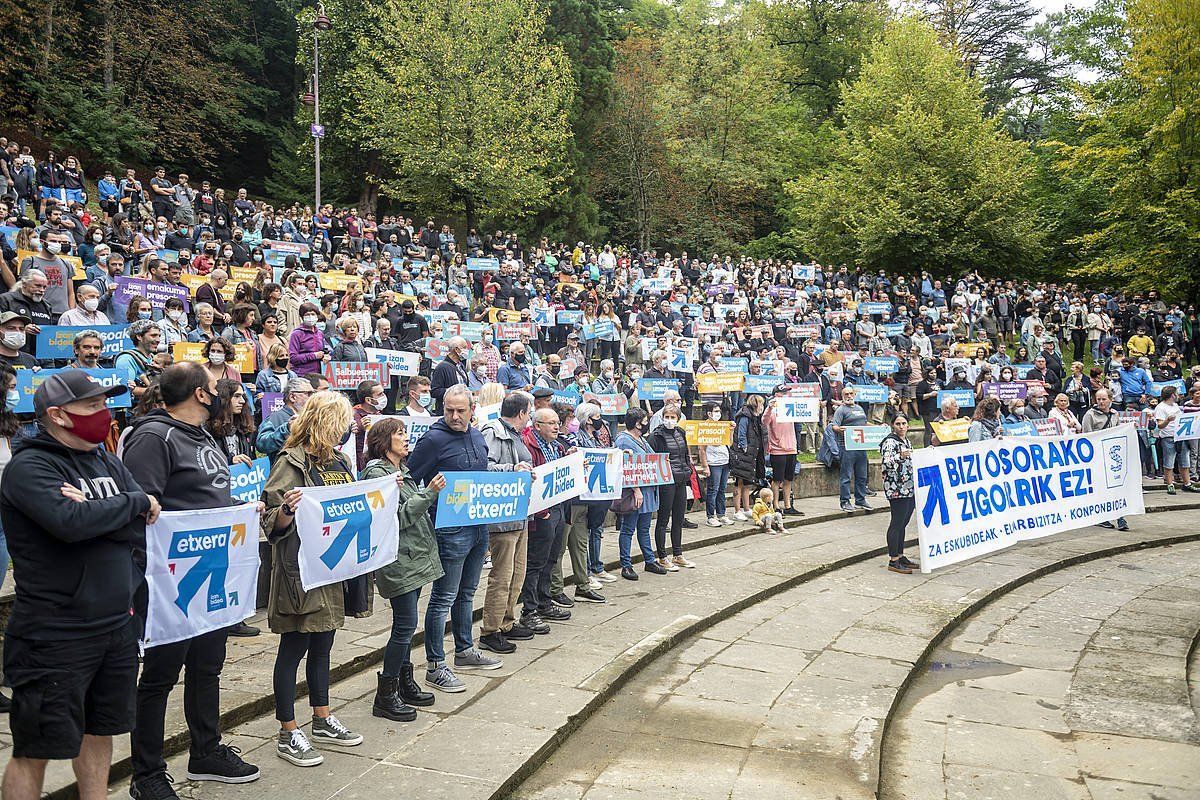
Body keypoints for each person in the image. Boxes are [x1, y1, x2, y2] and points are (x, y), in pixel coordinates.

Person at [0, 371, 157, 800]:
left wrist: (103, 511)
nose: (103, 412)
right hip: (55, 635)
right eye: (91, 405)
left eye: (104, 403)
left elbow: (140, 520)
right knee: (34, 749)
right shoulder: (30, 466)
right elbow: (70, 523)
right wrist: (129, 504)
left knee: (100, 730)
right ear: (57, 415)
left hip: (115, 625)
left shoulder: (105, 459)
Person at [122, 363, 260, 799]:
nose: (221, 393)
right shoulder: (153, 437)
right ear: (201, 394)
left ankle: (206, 750)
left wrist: (239, 509)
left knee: (207, 665)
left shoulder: (202, 435)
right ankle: (147, 774)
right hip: (171, 579)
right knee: (160, 675)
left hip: (211, 569)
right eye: (215, 387)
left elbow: (207, 494)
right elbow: (142, 507)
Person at [262, 391, 365, 767]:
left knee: (323, 646)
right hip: (300, 572)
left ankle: (321, 718)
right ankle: (288, 730)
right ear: (325, 422)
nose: (347, 428)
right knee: (293, 649)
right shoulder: (290, 461)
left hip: (332, 571)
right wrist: (286, 511)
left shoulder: (340, 460)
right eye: (342, 422)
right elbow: (270, 519)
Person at [407, 384, 502, 692]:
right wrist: (428, 503)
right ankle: (435, 665)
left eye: (461, 411)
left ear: (472, 410)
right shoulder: (432, 440)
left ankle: (464, 650)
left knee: (467, 592)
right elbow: (409, 480)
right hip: (449, 529)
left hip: (477, 525)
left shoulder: (477, 435)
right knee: (443, 597)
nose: (455, 416)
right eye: (449, 410)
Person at [361, 418, 446, 721]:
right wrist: (430, 493)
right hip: (398, 560)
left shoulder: (401, 471)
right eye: (400, 434)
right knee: (405, 625)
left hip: (414, 556)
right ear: (384, 441)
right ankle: (385, 694)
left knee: (407, 626)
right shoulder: (378, 474)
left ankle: (403, 682)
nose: (406, 438)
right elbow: (397, 518)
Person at [478, 392, 538, 652]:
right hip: (502, 516)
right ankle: (490, 630)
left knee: (517, 572)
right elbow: (484, 467)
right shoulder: (493, 432)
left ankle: (506, 621)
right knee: (502, 576)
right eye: (529, 413)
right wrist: (512, 470)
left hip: (519, 512)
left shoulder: (515, 435)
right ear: (522, 413)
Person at [519, 406, 574, 623]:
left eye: (557, 422)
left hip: (558, 508)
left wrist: (570, 460)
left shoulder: (557, 446)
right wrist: (541, 511)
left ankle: (545, 602)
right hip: (542, 513)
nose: (556, 426)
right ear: (537, 425)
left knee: (551, 558)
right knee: (536, 561)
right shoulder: (529, 445)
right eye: (551, 423)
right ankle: (530, 610)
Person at [613, 408, 666, 581]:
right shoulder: (623, 440)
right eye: (644, 421)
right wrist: (636, 490)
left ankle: (649, 560)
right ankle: (626, 565)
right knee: (628, 528)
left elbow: (651, 458)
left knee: (644, 528)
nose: (646, 423)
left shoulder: (641, 438)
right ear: (637, 423)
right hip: (634, 492)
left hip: (647, 489)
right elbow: (626, 467)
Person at [647, 402, 696, 570]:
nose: (669, 420)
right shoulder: (656, 436)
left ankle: (678, 554)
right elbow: (651, 458)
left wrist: (688, 470)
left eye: (672, 417)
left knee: (678, 518)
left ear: (677, 418)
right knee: (663, 520)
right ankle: (662, 557)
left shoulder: (680, 432)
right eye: (666, 417)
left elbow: (685, 454)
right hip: (666, 482)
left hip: (681, 479)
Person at [1081, 388, 1132, 531]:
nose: (1101, 402)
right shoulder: (1090, 415)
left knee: (1116, 486)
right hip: (1097, 456)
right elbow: (1086, 436)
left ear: (1110, 400)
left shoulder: (1114, 414)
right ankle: (1102, 517)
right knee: (1102, 487)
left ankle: (1120, 516)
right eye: (1098, 399)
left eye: (1104, 399)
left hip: (1112, 456)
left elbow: (1118, 431)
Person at [879, 415, 918, 574]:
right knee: (897, 523)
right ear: (892, 425)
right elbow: (886, 462)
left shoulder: (906, 441)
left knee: (903, 522)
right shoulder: (890, 442)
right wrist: (900, 456)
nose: (901, 426)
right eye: (898, 424)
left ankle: (900, 555)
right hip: (896, 489)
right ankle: (893, 559)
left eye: (904, 423)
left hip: (908, 487)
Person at [763, 385, 802, 516]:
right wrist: (769, 407)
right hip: (778, 450)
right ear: (776, 394)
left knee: (788, 479)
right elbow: (764, 421)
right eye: (783, 393)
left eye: (787, 393)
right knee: (777, 479)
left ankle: (788, 505)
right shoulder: (772, 410)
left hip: (791, 448)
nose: (786, 395)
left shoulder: (790, 407)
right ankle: (775, 505)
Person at [256, 377, 314, 458]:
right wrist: (286, 429)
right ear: (292, 397)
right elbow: (261, 445)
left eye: (314, 393)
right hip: (285, 465)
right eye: (308, 393)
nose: (313, 397)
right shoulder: (275, 418)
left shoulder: (310, 418)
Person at [832, 386, 870, 512]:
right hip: (847, 446)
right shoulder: (840, 410)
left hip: (861, 446)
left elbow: (865, 423)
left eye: (851, 393)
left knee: (862, 475)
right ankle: (845, 501)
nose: (849, 396)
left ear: (854, 395)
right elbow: (834, 426)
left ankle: (860, 500)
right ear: (842, 396)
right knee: (846, 476)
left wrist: (879, 427)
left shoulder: (859, 408)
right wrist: (839, 429)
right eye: (846, 394)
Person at [729, 394, 766, 520]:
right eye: (761, 404)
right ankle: (737, 510)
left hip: (753, 454)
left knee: (747, 483)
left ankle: (746, 508)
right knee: (739, 482)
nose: (762, 406)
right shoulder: (745, 416)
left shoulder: (756, 417)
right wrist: (744, 449)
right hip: (743, 454)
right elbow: (742, 434)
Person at [1153, 385, 1196, 494]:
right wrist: (1167, 420)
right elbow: (1160, 425)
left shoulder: (1176, 405)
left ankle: (1187, 483)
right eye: (1176, 393)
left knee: (1185, 462)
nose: (1178, 395)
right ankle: (1169, 484)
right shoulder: (1160, 407)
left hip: (1181, 436)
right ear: (1172, 395)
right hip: (1168, 437)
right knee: (1169, 462)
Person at [696, 402, 732, 526]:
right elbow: (701, 449)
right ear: (709, 413)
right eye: (716, 411)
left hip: (724, 461)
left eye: (719, 411)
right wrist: (705, 466)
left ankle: (721, 514)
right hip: (713, 463)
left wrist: (731, 431)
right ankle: (711, 516)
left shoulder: (721, 425)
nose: (718, 413)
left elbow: (729, 443)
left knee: (722, 489)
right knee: (713, 490)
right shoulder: (704, 427)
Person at [429, 335, 470, 413]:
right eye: (464, 348)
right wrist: (454, 391)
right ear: (456, 349)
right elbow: (435, 391)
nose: (467, 350)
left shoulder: (461, 366)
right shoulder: (442, 367)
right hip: (448, 411)